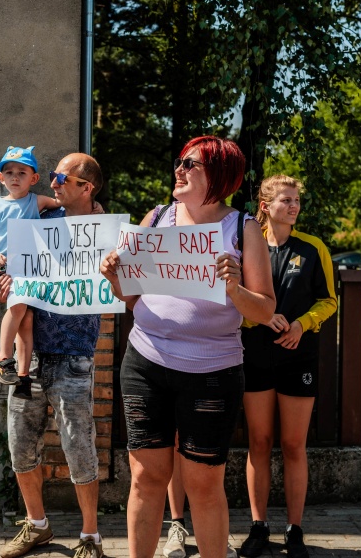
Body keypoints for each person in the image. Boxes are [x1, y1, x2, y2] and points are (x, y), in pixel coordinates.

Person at [101, 136, 276, 558]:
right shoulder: (158, 217)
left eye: (190, 164)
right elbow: (129, 294)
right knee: (146, 478)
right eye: (179, 161)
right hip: (145, 363)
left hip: (212, 372)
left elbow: (266, 309)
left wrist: (234, 287)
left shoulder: (243, 228)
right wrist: (112, 275)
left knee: (203, 484)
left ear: (219, 176)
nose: (179, 169)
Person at [0, 153, 106, 558]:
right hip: (30, 359)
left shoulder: (103, 231)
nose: (52, 183)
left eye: (60, 177)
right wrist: (3, 288)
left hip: (75, 356)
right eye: (53, 176)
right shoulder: (39, 223)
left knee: (79, 448)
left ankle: (90, 536)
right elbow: (17, 275)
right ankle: (37, 525)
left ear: (85, 188)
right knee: (20, 446)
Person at [238, 175, 337, 558]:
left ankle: (295, 529)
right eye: (285, 200)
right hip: (255, 353)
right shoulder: (247, 246)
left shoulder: (313, 248)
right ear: (265, 206)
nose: (294, 206)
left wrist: (301, 324)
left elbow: (329, 301)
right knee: (259, 443)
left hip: (299, 356)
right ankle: (259, 526)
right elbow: (234, 300)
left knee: (294, 445)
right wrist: (261, 319)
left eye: (296, 200)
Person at [0, 146, 59, 399]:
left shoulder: (37, 201)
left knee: (26, 320)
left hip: (28, 270)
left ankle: (23, 376)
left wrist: (95, 206)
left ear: (33, 179)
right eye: (9, 172)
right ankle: (3, 358)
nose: (15, 177)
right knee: (19, 307)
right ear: (1, 178)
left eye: (22, 172)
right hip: (2, 268)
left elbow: (64, 203)